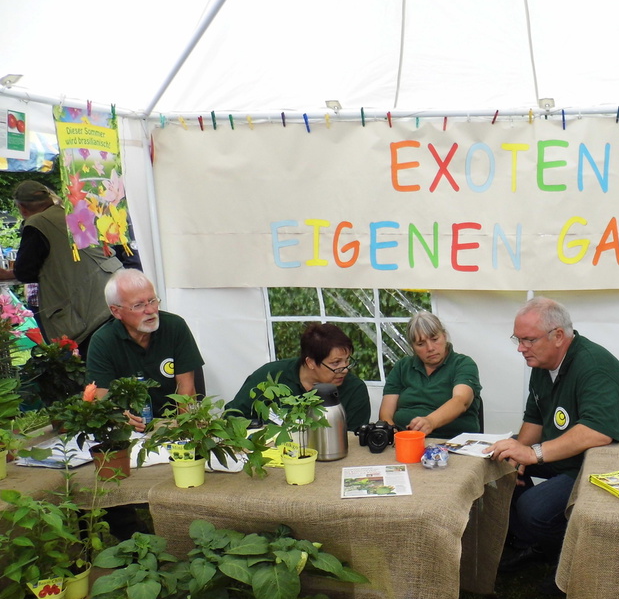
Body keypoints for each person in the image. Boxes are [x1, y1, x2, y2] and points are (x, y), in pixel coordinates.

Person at [486, 297, 619, 587]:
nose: (521, 348)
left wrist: (532, 454)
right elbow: (535, 418)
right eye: (518, 339)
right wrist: (517, 457)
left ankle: (574, 559)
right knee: (499, 462)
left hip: (608, 462)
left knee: (533, 509)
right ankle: (540, 544)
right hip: (571, 453)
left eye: (528, 340)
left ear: (558, 336)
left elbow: (598, 431)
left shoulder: (594, 365)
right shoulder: (541, 364)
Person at [0, 180, 123, 356]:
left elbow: (25, 271)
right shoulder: (69, 212)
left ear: (22, 208)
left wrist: (5, 274)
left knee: (95, 363)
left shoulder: (38, 222)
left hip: (90, 308)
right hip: (115, 290)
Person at [86, 269, 204, 421]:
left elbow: (187, 390)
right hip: (128, 427)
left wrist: (184, 428)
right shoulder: (103, 341)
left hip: (173, 423)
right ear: (116, 311)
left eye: (153, 300)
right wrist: (121, 420)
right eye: (138, 305)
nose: (150, 310)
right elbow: (101, 398)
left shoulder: (175, 327)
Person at [226, 322, 371, 428]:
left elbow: (355, 442)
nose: (344, 369)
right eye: (336, 363)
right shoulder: (269, 377)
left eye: (347, 360)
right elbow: (231, 416)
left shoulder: (354, 390)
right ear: (310, 362)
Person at [378, 311, 482, 439]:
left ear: (444, 336)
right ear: (412, 347)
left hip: (453, 441)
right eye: (420, 344)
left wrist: (431, 422)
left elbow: (461, 401)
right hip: (406, 441)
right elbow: (386, 413)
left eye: (435, 339)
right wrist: (393, 435)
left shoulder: (463, 364)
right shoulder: (402, 367)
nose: (430, 348)